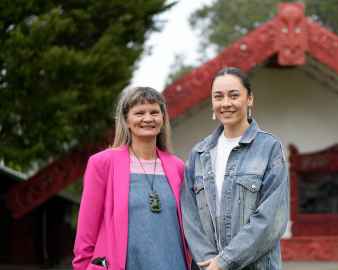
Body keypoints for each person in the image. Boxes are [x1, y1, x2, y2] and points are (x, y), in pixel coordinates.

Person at [181, 67, 289, 270]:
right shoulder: (199, 153)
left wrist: (223, 263)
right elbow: (189, 215)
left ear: (250, 99)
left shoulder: (269, 148)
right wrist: (208, 262)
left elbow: (271, 220)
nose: (226, 103)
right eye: (218, 97)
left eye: (234, 95)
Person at [73, 86, 190, 270]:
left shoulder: (178, 167)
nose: (148, 118)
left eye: (154, 112)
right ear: (126, 120)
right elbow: (86, 233)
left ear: (162, 118)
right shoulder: (102, 164)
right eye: (139, 113)